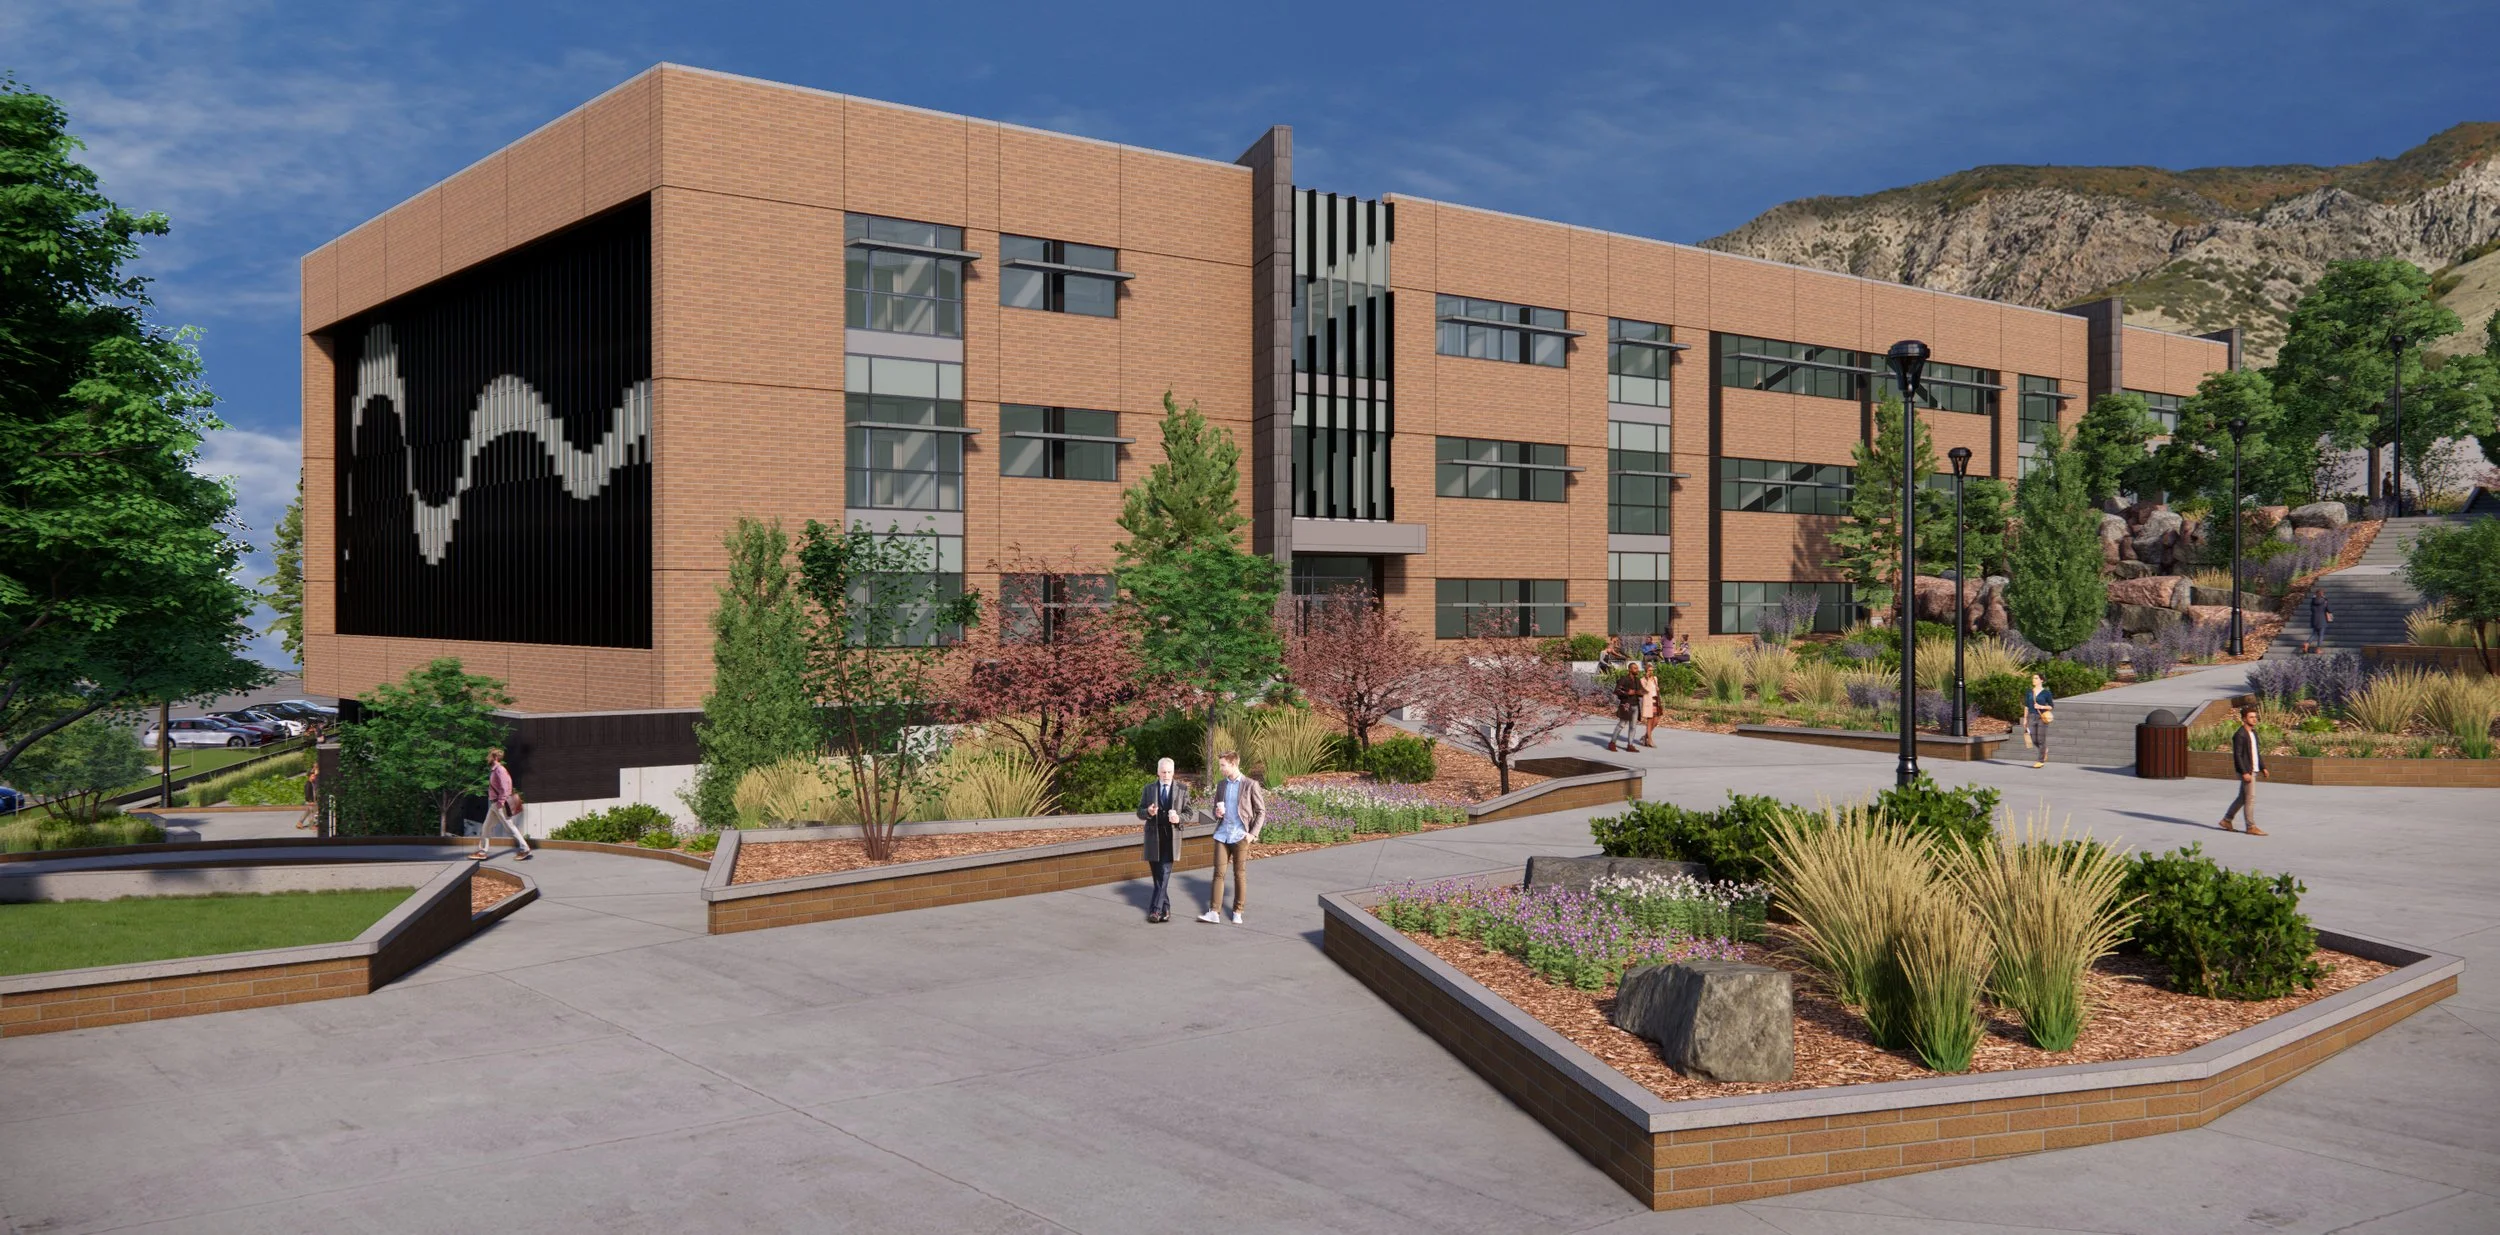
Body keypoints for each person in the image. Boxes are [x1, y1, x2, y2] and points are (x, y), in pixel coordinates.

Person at [1198, 750, 1265, 924]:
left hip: (1240, 836)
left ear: (1233, 764)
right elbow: (1215, 809)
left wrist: (1252, 834)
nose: (1220, 769)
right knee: (1218, 873)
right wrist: (1217, 813)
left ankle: (1238, 911)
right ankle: (1214, 912)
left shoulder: (1250, 785)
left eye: (1223, 765)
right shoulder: (1221, 785)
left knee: (1239, 874)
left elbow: (1261, 812)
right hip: (1222, 834)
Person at [1135, 757, 1191, 922]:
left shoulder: (1182, 789)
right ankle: (1166, 909)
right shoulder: (1149, 789)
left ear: (1173, 772)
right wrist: (1149, 812)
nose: (1166, 775)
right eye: (1163, 772)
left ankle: (1155, 910)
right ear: (1158, 772)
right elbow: (1139, 811)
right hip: (1154, 836)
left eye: (1169, 772)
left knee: (1165, 872)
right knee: (1157, 876)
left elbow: (1189, 812)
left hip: (1172, 836)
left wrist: (1179, 818)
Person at [471, 748, 531, 861]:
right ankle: (482, 851)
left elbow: (506, 787)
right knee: (486, 827)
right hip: (494, 805)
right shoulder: (494, 770)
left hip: (499, 805)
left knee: (510, 827)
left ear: (494, 757)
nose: (487, 758)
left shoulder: (500, 770)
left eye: (489, 756)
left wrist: (501, 802)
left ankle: (525, 848)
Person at [2219, 705, 2268, 835]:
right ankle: (2250, 826)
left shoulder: (2253, 733)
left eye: (2255, 717)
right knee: (2250, 798)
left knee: (2242, 797)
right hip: (2247, 771)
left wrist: (2263, 767)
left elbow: (2255, 752)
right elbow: (2237, 755)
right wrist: (2244, 772)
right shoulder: (2240, 735)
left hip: (2253, 769)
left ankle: (2226, 820)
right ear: (2244, 719)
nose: (2254, 719)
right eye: (2251, 717)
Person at [1606, 666, 1643, 752]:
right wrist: (1627, 693)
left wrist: (1640, 692)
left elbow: (1641, 691)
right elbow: (1617, 690)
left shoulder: (1637, 680)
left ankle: (1630, 745)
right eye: (1635, 668)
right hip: (1626, 705)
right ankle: (1612, 743)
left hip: (1635, 705)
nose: (1637, 670)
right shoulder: (1624, 679)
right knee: (1621, 724)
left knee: (1633, 727)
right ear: (1630, 669)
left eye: (1637, 668)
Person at [2023, 673, 2054, 769]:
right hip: (2032, 716)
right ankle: (2045, 750)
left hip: (2042, 717)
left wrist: (2041, 706)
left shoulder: (2046, 693)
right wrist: (2025, 719)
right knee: (2034, 739)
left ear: (2041, 680)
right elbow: (2026, 706)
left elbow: (2051, 706)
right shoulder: (2029, 692)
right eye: (2033, 678)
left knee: (2041, 739)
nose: (2034, 680)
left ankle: (2040, 761)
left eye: (2036, 678)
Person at [1638, 662, 1663, 748]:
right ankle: (1650, 740)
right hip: (1649, 702)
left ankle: (1645, 737)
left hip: (1656, 701)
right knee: (1650, 721)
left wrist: (1657, 689)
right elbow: (1646, 690)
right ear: (1646, 671)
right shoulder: (1642, 680)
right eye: (1649, 670)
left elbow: (1655, 690)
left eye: (1652, 670)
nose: (1651, 672)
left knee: (1656, 721)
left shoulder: (1655, 678)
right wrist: (1648, 679)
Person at [2305, 584, 2333, 654]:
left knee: (2314, 633)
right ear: (2322, 594)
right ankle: (2318, 649)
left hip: (2314, 619)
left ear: (2316, 594)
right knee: (2321, 635)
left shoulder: (2312, 601)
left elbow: (2311, 610)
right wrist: (2326, 603)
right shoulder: (2325, 601)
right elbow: (2329, 610)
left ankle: (2307, 644)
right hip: (2322, 620)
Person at [294, 765, 320, 831]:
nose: (314, 777)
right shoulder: (308, 784)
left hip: (312, 800)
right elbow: (307, 794)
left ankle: (299, 823)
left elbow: (316, 776)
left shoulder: (312, 783)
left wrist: (315, 769)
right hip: (310, 801)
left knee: (307, 812)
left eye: (314, 776)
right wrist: (310, 801)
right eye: (313, 776)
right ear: (309, 777)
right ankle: (312, 826)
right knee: (311, 814)